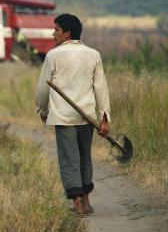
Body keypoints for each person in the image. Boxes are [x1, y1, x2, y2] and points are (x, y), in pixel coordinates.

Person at [35, 13, 110, 214]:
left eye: (56, 30)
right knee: (85, 157)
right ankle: (86, 201)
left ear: (67, 33)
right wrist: (103, 119)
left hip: (63, 117)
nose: (53, 34)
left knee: (69, 159)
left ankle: (76, 202)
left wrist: (42, 109)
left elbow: (42, 89)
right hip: (87, 118)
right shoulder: (93, 55)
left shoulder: (53, 55)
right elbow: (101, 89)